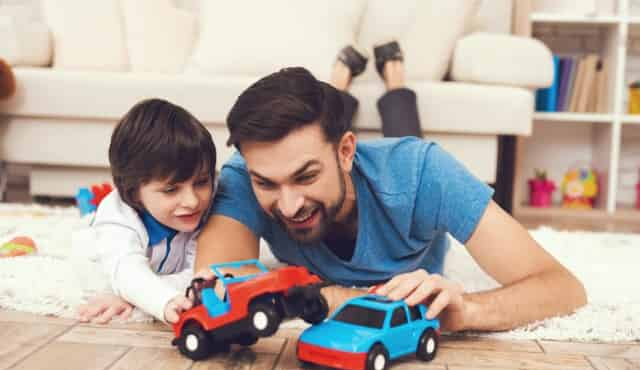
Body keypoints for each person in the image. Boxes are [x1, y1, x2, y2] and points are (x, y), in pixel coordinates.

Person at [195, 42, 587, 332]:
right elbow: (220, 289)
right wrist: (337, 297)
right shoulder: (246, 174)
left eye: (306, 176)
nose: (289, 204)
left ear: (347, 151)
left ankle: (393, 75)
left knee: (404, 139)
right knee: (338, 129)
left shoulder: (422, 172)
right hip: (363, 167)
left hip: (394, 175)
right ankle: (340, 80)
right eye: (267, 182)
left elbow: (563, 287)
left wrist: (468, 310)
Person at [77, 99, 217, 324]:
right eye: (171, 189)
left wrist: (136, 297)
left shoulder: (210, 203)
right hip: (103, 259)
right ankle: (89, 212)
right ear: (133, 193)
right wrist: (162, 299)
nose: (192, 201)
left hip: (155, 271)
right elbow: (126, 271)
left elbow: (199, 273)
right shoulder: (119, 218)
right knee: (86, 235)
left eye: (201, 182)